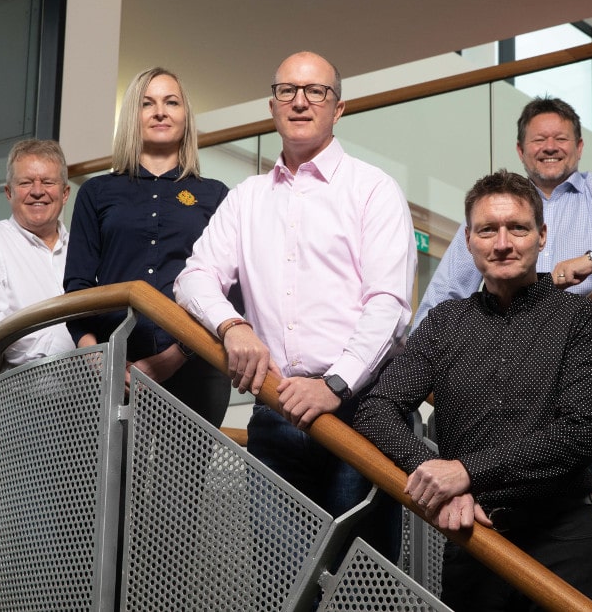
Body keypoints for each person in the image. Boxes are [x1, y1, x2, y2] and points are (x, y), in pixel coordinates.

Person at [174, 51, 416, 557]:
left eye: (316, 91)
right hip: (276, 409)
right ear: (272, 105)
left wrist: (335, 384)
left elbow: (389, 304)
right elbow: (194, 278)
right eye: (288, 90)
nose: (300, 101)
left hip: (361, 414)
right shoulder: (246, 198)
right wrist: (232, 325)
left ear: (339, 107)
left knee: (360, 585)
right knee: (278, 588)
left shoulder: (373, 189)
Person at [354, 169, 592, 611]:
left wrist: (466, 471)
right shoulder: (443, 324)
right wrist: (434, 468)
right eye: (488, 230)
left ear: (542, 236)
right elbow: (376, 410)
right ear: (470, 240)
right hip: (474, 536)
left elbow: (577, 436)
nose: (503, 243)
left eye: (518, 228)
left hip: (564, 539)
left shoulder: (580, 320)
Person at [413, 96, 592, 334]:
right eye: (539, 140)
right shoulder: (495, 209)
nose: (550, 147)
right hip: (516, 362)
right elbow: (446, 291)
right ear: (520, 150)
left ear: (579, 147)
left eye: (561, 139)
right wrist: (418, 360)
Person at [64, 67, 233, 427]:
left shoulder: (216, 195)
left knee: (181, 484)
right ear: (132, 117)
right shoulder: (96, 192)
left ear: (185, 116)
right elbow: (78, 284)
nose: (160, 111)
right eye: (147, 103)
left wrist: (174, 356)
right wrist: (96, 357)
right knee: (113, 482)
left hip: (195, 365)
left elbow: (229, 289)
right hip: (111, 366)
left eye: (171, 102)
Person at [0, 138, 76, 369]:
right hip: (20, 398)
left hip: (91, 396)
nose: (38, 191)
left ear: (65, 193)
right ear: (8, 192)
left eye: (48, 182)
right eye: (26, 182)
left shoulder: (83, 251)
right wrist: (68, 352)